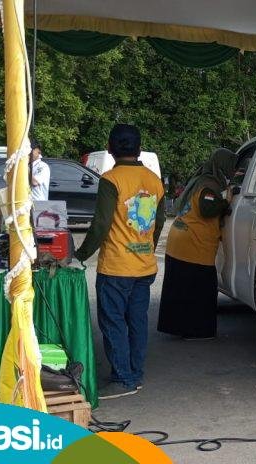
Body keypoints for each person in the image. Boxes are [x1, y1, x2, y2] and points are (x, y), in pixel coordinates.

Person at [74, 124, 165, 400]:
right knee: (137, 321)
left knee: (113, 322)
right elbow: (158, 222)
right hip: (143, 265)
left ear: (111, 149)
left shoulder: (111, 180)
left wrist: (79, 255)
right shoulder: (154, 180)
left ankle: (123, 378)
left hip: (116, 266)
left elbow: (100, 224)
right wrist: (145, 244)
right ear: (139, 149)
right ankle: (134, 373)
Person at [157, 148, 234, 340]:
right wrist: (226, 202)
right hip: (192, 245)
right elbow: (207, 209)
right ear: (224, 165)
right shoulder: (210, 184)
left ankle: (182, 329)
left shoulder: (204, 179)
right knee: (202, 289)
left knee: (182, 290)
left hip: (181, 240)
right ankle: (196, 332)